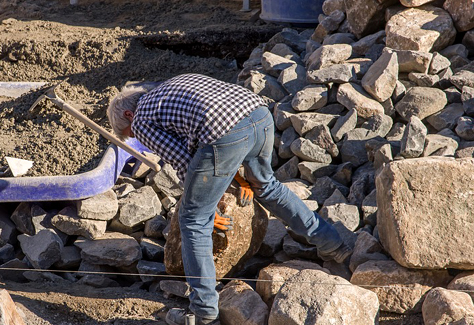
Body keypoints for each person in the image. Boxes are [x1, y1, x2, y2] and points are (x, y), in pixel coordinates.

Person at [107, 73, 351, 325]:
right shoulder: (170, 86)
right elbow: (213, 138)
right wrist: (237, 178)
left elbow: (185, 162)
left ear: (128, 115)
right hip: (259, 116)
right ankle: (335, 247)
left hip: (226, 135)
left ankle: (203, 312)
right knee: (268, 187)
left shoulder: (142, 120)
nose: (134, 135)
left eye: (129, 132)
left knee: (193, 220)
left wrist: (205, 207)